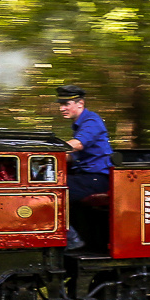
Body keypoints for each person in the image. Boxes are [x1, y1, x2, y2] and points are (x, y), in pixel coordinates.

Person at [57, 84, 113, 249]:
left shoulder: (91, 121)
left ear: (80, 103)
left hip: (98, 178)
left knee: (53, 191)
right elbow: (71, 155)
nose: (62, 108)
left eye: (66, 104)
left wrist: (51, 150)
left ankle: (70, 238)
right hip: (87, 177)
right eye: (60, 104)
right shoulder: (80, 125)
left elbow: (78, 144)